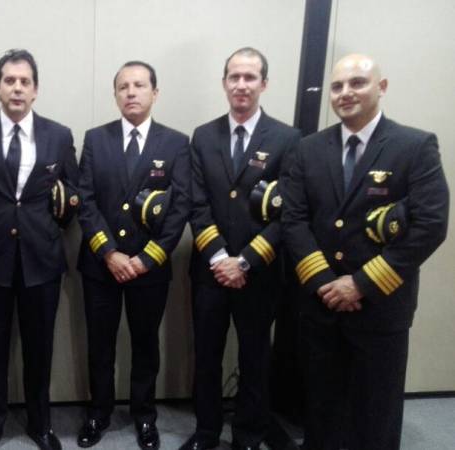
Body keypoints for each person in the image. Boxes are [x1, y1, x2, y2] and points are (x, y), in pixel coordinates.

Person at [281, 53, 449, 450]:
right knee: (321, 406)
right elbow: (294, 220)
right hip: (322, 301)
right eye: (337, 86)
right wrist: (326, 283)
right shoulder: (308, 149)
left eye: (357, 83)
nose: (345, 93)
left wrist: (360, 284)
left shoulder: (414, 146)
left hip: (380, 304)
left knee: (376, 411)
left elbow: (430, 225)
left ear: (381, 87)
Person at [0, 49, 79, 450]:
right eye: (9, 80)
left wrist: (44, 228)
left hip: (41, 260)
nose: (17, 88)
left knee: (39, 350)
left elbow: (71, 196)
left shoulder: (59, 136)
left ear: (36, 89)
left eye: (25, 81)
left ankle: (40, 425)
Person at [184, 47, 300, 450]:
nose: (241, 84)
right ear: (224, 83)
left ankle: (248, 434)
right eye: (234, 76)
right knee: (206, 356)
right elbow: (196, 203)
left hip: (260, 272)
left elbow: (289, 211)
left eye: (250, 77)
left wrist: (245, 262)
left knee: (255, 357)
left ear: (264, 84)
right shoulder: (203, 136)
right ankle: (206, 432)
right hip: (210, 271)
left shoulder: (287, 139)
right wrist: (221, 259)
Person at [75, 61, 190, 450]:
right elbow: (85, 200)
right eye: (123, 86)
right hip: (101, 265)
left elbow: (180, 207)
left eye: (139, 85)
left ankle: (144, 416)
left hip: (149, 268)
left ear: (154, 93)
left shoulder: (176, 143)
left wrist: (146, 259)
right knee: (100, 344)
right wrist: (109, 252)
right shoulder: (96, 139)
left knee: (145, 345)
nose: (131, 92)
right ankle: (98, 413)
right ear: (115, 95)